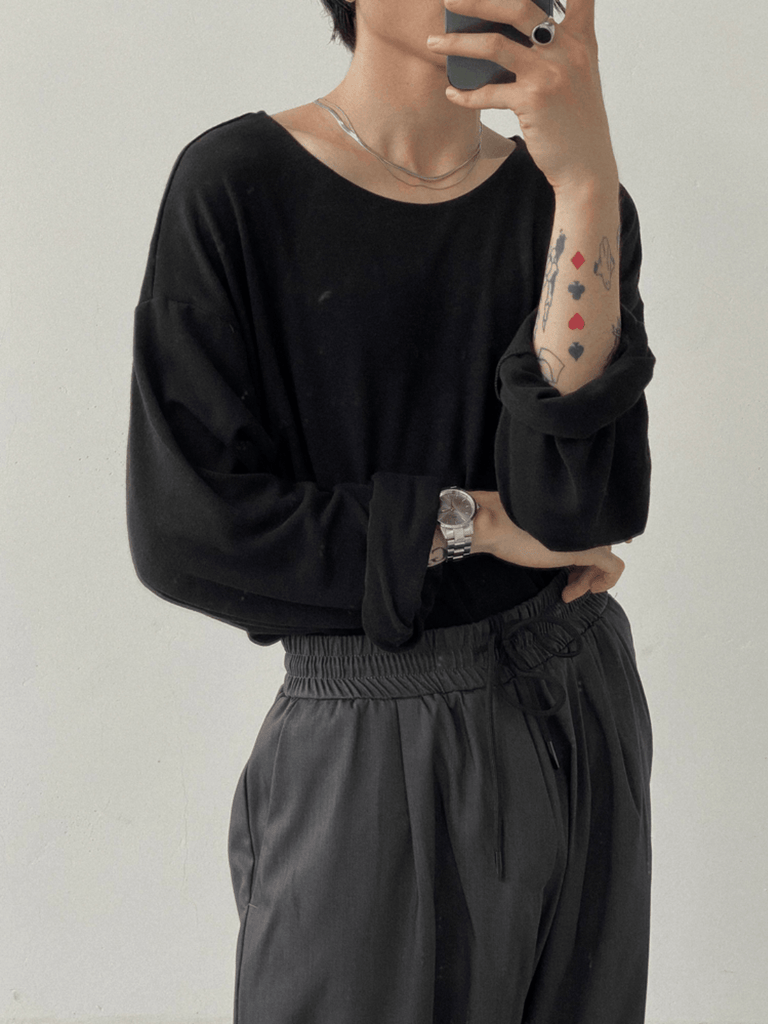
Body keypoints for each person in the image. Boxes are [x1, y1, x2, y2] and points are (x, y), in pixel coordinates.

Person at [126, 0, 657, 1020]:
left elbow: (572, 505)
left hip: (576, 693)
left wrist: (587, 180)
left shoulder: (567, 205)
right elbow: (189, 529)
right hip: (374, 732)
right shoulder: (236, 187)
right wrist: (469, 524)